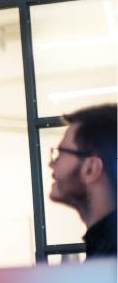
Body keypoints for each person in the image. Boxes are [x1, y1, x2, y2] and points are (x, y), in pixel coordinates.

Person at [49, 103, 117, 258]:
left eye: (60, 154)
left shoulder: (109, 259)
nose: (52, 164)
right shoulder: (103, 250)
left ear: (91, 169)